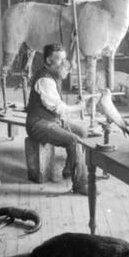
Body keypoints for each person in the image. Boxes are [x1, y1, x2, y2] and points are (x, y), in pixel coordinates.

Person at [25, 43, 89, 194]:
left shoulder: (54, 74)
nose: (64, 63)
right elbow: (58, 108)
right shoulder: (45, 80)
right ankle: (80, 184)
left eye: (64, 58)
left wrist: (72, 42)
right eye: (60, 59)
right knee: (73, 140)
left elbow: (58, 109)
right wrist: (79, 108)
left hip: (51, 120)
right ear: (48, 60)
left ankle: (69, 168)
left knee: (82, 132)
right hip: (38, 124)